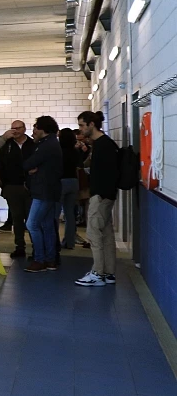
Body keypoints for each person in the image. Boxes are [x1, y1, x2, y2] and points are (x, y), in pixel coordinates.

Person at [75, 111, 118, 287]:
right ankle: (108, 272)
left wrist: (99, 195)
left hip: (100, 196)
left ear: (91, 124)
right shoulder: (104, 144)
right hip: (106, 195)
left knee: (93, 233)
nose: (80, 129)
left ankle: (98, 273)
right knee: (106, 234)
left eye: (82, 125)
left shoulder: (103, 145)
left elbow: (107, 173)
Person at [22, 116, 63, 272]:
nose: (34, 131)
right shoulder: (51, 143)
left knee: (32, 224)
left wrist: (32, 168)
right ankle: (50, 259)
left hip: (44, 191)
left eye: (36, 128)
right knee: (46, 225)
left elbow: (28, 164)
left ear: (43, 129)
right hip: (49, 190)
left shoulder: (46, 145)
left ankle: (39, 259)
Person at [0, 120, 36, 258]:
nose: (15, 131)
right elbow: (0, 165)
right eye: (13, 128)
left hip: (31, 188)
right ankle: (19, 246)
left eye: (18, 128)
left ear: (24, 129)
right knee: (17, 218)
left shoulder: (33, 144)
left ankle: (36, 248)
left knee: (31, 219)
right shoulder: (7, 145)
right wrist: (5, 185)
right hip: (13, 187)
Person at [57, 129, 83, 250]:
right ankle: (69, 242)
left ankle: (54, 241)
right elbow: (79, 166)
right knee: (70, 214)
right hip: (73, 182)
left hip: (60, 182)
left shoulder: (57, 151)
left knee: (55, 213)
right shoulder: (75, 151)